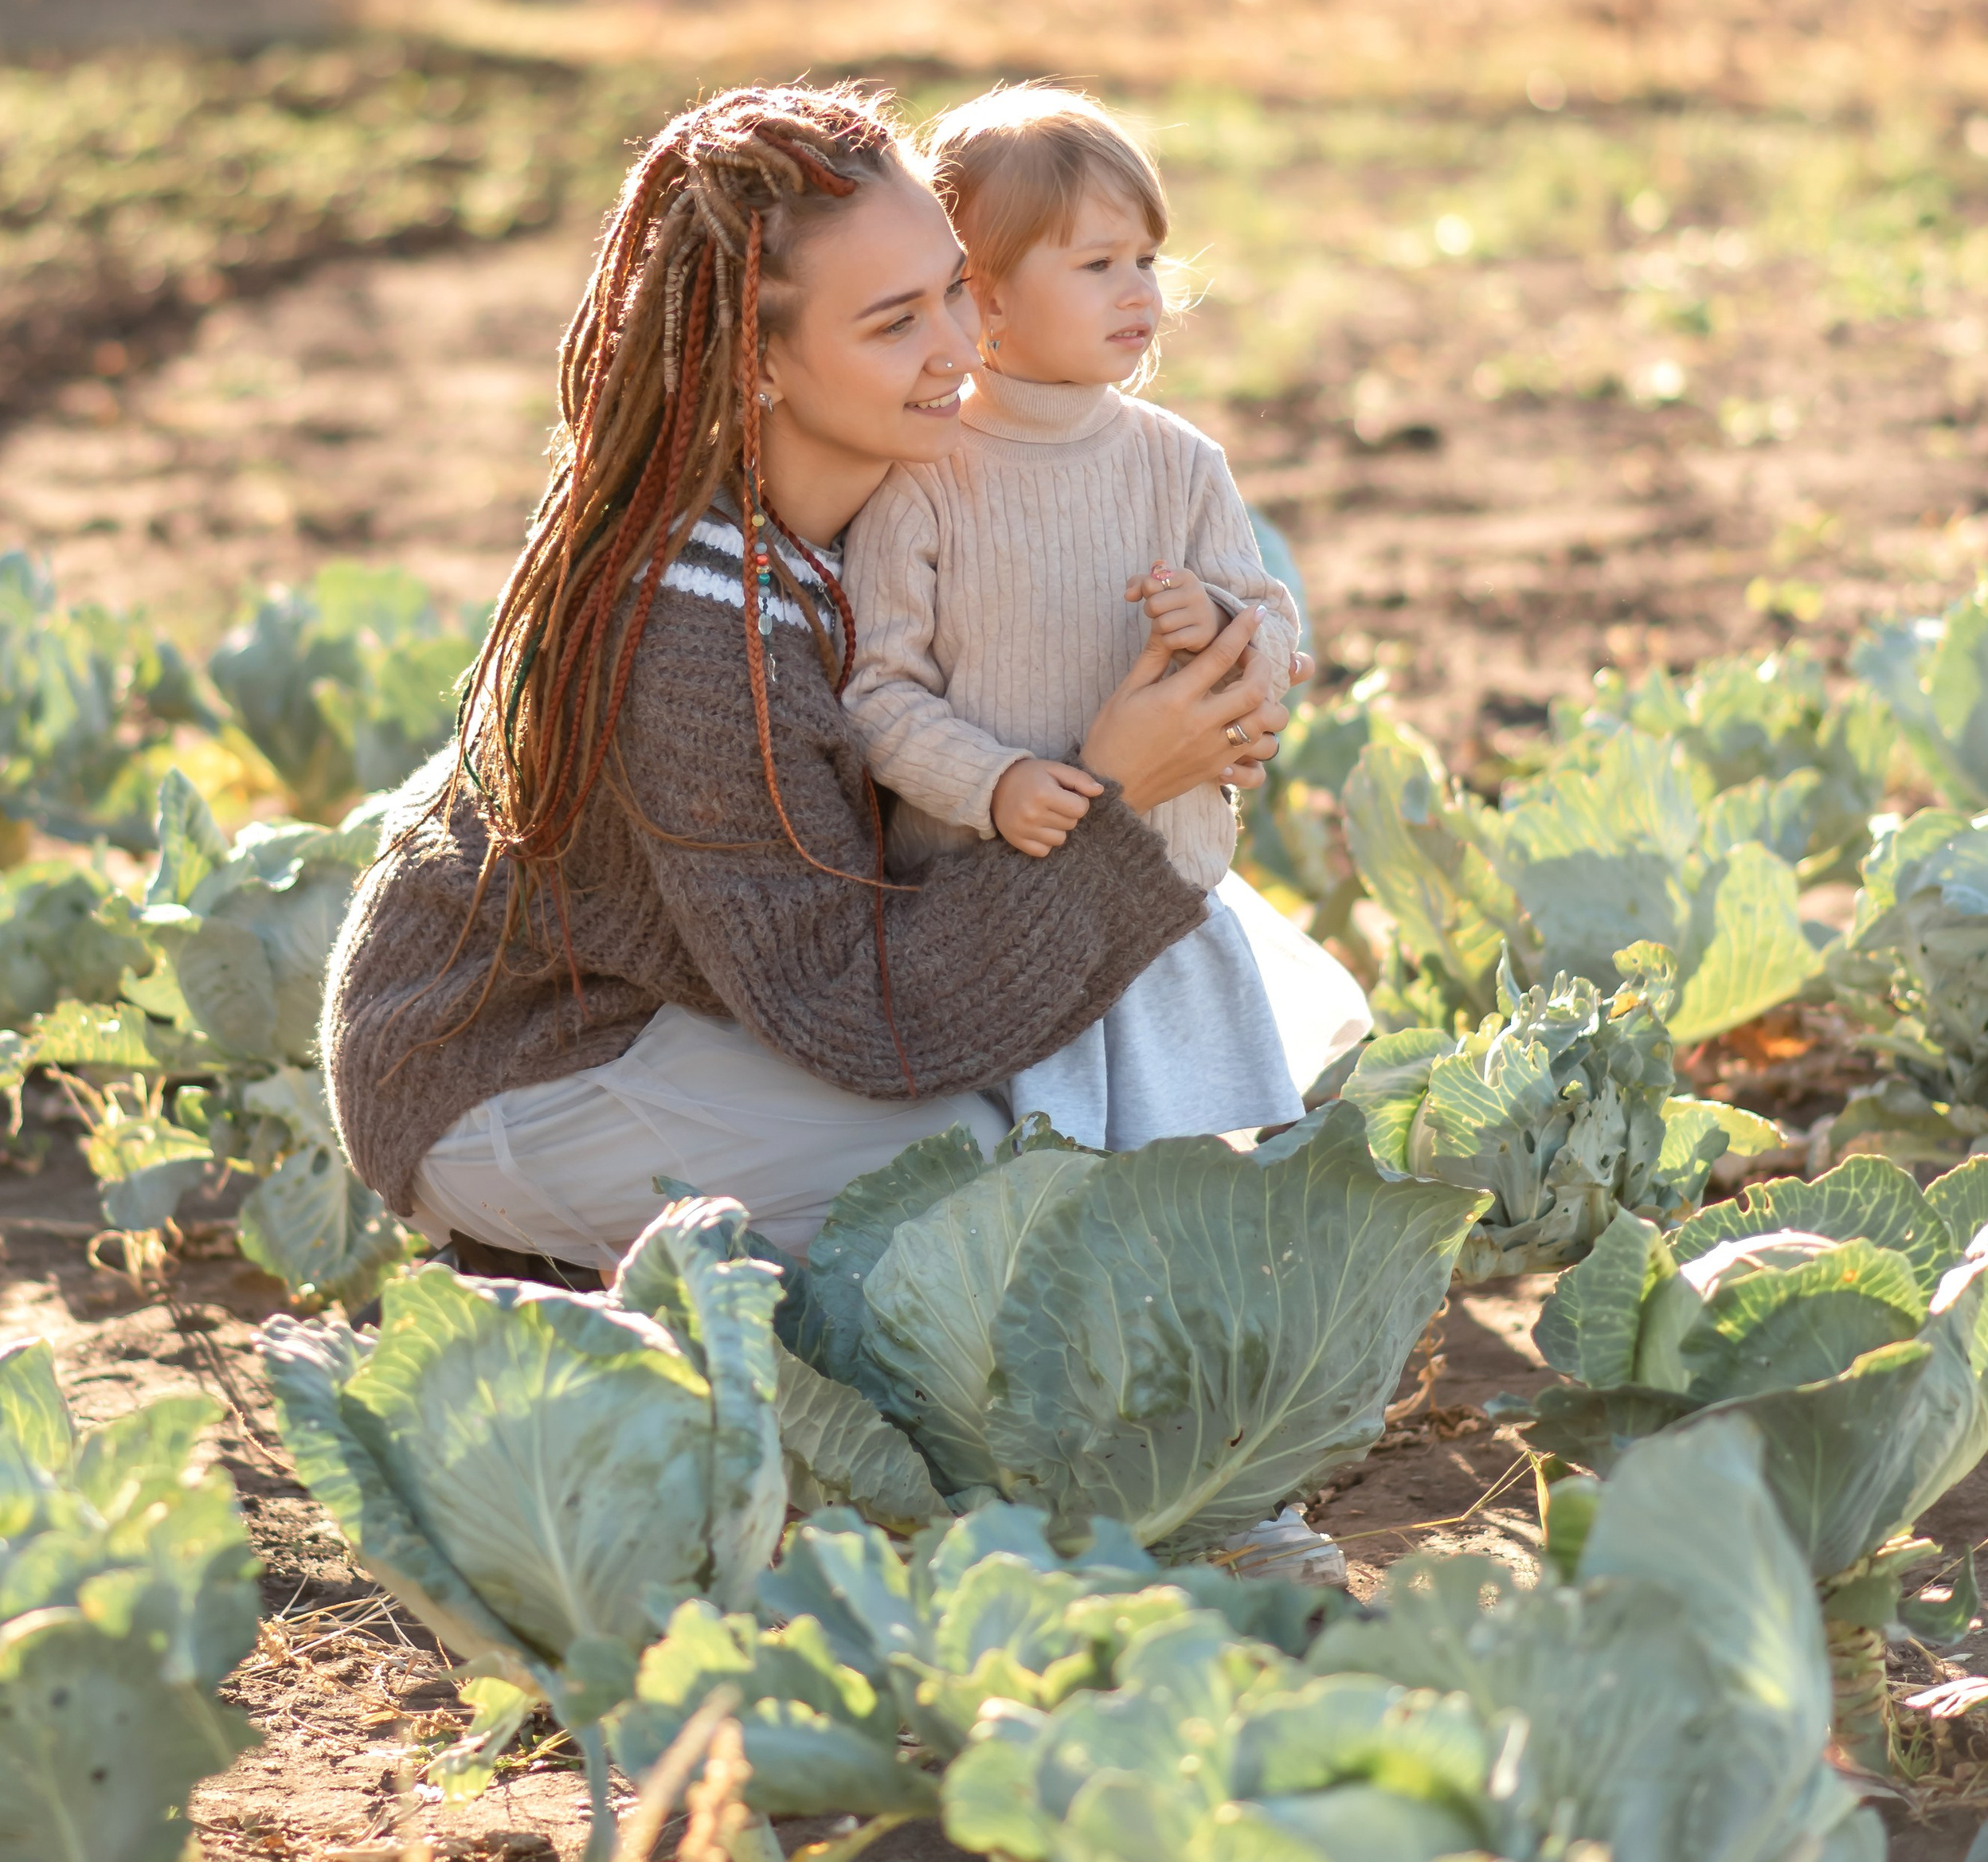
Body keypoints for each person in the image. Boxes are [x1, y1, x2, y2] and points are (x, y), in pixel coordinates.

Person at [321, 81, 1293, 1273]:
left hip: (741, 1003)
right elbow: (859, 1011)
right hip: (525, 1062)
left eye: (953, 288)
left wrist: (1220, 702)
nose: (957, 346)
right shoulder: (693, 634)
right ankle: (534, 1255)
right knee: (984, 1166)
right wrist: (1120, 787)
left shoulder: (891, 507)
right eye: (893, 325)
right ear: (759, 363)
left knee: (1228, 979)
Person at [839, 83, 1368, 1153]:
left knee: (1188, 1183)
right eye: (1096, 266)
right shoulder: (928, 480)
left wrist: (1221, 621)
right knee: (1052, 1185)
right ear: (980, 297)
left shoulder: (1178, 462)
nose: (1139, 292)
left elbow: (1272, 628)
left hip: (1162, 904)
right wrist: (994, 782)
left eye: (1146, 261)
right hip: (1004, 921)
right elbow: (878, 693)